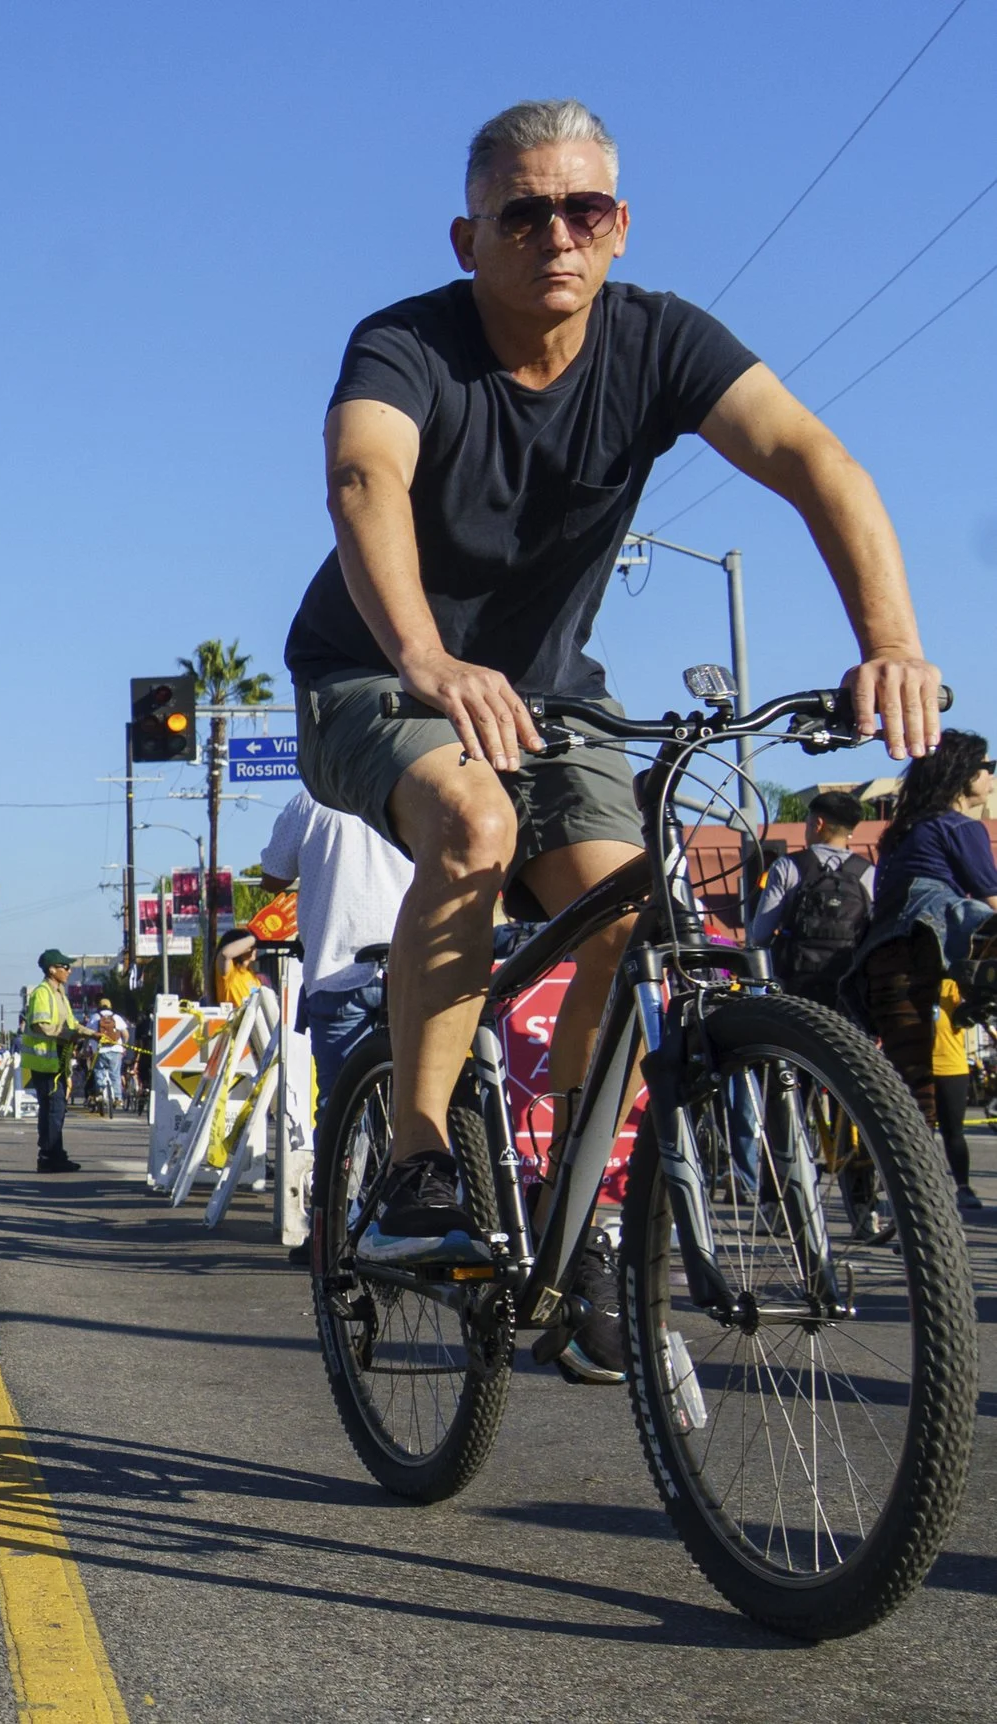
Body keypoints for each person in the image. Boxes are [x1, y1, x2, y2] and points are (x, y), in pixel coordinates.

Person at [284, 96, 941, 1390]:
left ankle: (572, 1207)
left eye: (584, 210)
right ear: (471, 235)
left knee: (640, 910)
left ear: (620, 225)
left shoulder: (658, 344)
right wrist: (424, 655)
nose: (557, 236)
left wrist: (892, 639)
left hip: (549, 696)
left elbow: (815, 457)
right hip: (373, 670)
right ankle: (418, 1158)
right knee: (472, 822)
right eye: (524, 214)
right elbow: (365, 475)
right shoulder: (410, 344)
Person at [846, 733, 995, 1217]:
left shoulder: (903, 830)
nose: (990, 776)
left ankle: (895, 1201)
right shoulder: (958, 827)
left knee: (911, 1093)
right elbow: (990, 897)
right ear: (963, 776)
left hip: (884, 963)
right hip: (927, 952)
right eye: (985, 766)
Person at [260, 787, 415, 1101]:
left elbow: (273, 876)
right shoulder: (410, 789)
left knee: (338, 1099)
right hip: (409, 965)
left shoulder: (310, 800)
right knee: (422, 1093)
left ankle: (340, 1149)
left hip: (336, 970)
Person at [745, 790, 874, 1008]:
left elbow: (760, 935)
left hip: (796, 989)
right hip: (848, 989)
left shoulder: (788, 866)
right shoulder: (868, 872)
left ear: (818, 824)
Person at [20, 951, 81, 1171]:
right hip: (45, 1062)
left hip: (57, 1062)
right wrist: (68, 1035)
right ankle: (49, 1155)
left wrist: (92, 1034)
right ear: (52, 970)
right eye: (65, 966)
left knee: (56, 1108)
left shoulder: (60, 995)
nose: (69, 970)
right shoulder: (43, 993)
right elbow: (40, 1025)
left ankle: (54, 1154)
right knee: (54, 1108)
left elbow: (71, 1026)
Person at [932, 979, 982, 1208]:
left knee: (954, 1132)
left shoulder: (951, 985)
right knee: (920, 1133)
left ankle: (963, 1187)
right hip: (917, 1068)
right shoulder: (910, 983)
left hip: (952, 1068)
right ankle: (926, 1187)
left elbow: (968, 1015)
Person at [90, 999, 128, 1111]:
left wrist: (85, 1049)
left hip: (100, 1050)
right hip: (116, 1050)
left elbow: (88, 1034)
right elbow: (125, 1034)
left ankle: (100, 1092)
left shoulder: (95, 1017)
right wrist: (123, 1046)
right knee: (115, 1074)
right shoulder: (117, 1018)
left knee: (99, 1072)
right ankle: (118, 1098)